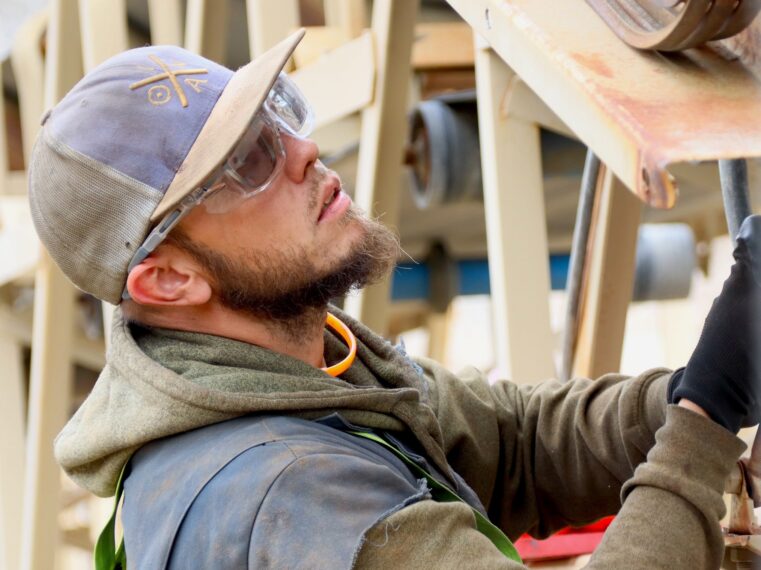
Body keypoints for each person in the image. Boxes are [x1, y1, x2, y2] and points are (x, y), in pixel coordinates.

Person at [28, 29, 760, 569]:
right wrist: (706, 416)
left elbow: (511, 445)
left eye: (277, 115)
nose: (302, 151)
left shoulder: (293, 373)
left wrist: (699, 384)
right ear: (168, 279)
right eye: (247, 159)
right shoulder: (283, 494)